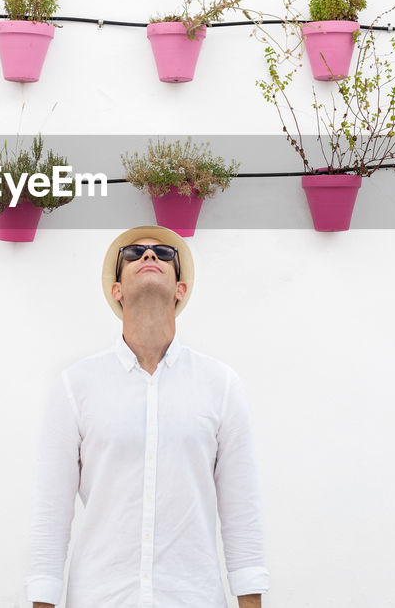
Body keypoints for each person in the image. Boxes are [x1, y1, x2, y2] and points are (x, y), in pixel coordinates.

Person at [24, 225, 269, 608]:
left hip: (194, 598)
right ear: (116, 290)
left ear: (180, 289)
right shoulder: (75, 386)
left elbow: (242, 514)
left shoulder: (221, 386)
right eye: (134, 253)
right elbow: (50, 518)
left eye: (164, 253)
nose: (149, 256)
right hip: (100, 598)